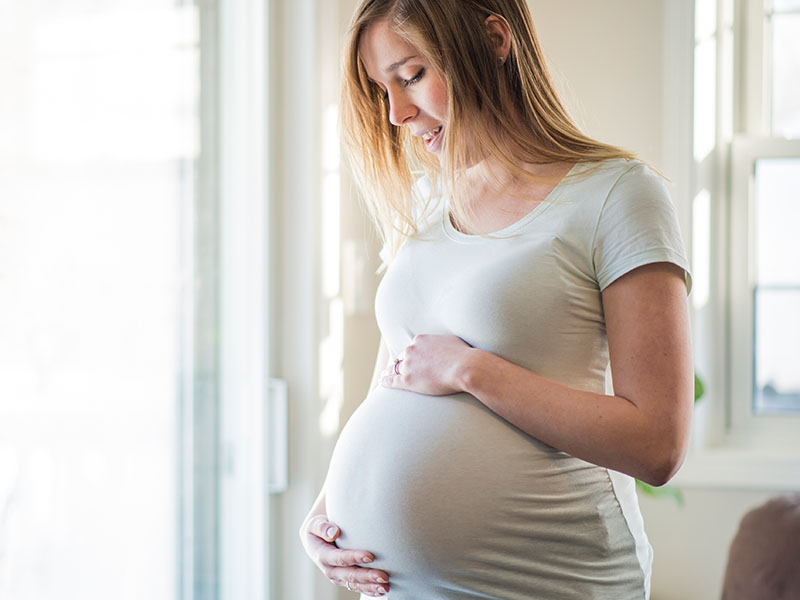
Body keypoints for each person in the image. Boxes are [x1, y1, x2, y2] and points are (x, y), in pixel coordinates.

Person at [300, 0, 693, 598]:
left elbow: (657, 444)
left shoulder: (617, 195)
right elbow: (399, 376)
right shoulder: (429, 203)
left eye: (411, 77)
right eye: (383, 90)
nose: (398, 113)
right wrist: (326, 514)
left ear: (494, 40)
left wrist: (472, 369)